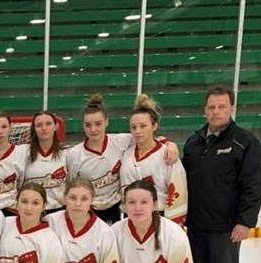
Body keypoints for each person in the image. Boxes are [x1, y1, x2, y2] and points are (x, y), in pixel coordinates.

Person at [177, 86, 261, 263]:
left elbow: (253, 186)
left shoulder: (245, 142)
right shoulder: (193, 142)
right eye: (211, 107)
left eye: (221, 107)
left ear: (232, 109)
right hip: (196, 225)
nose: (216, 112)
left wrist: (245, 221)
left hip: (226, 227)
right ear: (205, 109)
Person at [65, 94, 179, 225]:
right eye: (88, 125)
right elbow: (72, 187)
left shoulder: (122, 141)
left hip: (115, 209)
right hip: (89, 209)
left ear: (107, 122)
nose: (93, 129)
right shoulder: (74, 154)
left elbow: (147, 138)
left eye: (98, 123)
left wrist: (169, 143)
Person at [120, 94, 188, 225]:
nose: (138, 131)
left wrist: (173, 226)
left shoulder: (167, 155)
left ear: (154, 126)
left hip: (160, 217)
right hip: (131, 217)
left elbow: (178, 194)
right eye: (133, 127)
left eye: (143, 126)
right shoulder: (127, 153)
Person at [23, 111, 67, 211]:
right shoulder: (23, 152)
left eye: (48, 124)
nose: (44, 128)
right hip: (31, 210)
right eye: (39, 125)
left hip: (59, 210)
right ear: (34, 129)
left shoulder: (67, 153)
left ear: (56, 127)